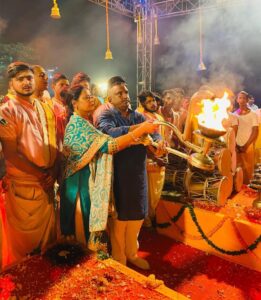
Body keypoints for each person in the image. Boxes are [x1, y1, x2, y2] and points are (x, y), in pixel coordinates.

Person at [60, 84, 158, 250]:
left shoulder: (85, 122)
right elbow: (110, 146)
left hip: (88, 180)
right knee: (84, 238)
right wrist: (139, 130)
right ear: (74, 104)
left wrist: (142, 130)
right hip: (81, 185)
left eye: (91, 96)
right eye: (86, 97)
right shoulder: (78, 126)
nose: (91, 100)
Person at [97, 76, 164, 270]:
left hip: (138, 173)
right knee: (120, 218)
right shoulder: (106, 115)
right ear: (109, 98)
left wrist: (159, 143)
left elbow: (155, 133)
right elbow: (109, 134)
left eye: (126, 92)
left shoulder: (138, 115)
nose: (125, 96)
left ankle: (131, 252)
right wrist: (139, 130)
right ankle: (119, 258)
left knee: (137, 216)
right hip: (118, 173)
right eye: (119, 93)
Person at [0, 62, 57, 266]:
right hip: (25, 187)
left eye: (29, 78)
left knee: (46, 247)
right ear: (11, 83)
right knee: (24, 250)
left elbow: (54, 143)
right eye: (20, 79)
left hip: (47, 183)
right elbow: (11, 154)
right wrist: (42, 175)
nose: (26, 82)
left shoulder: (44, 108)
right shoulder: (6, 111)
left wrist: (53, 171)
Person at [138, 91, 166, 227]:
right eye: (149, 101)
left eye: (154, 100)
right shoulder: (141, 117)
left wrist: (163, 154)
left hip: (160, 156)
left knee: (156, 191)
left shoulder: (159, 117)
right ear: (143, 103)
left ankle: (153, 214)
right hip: (148, 158)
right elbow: (144, 140)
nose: (153, 103)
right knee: (148, 190)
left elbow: (162, 137)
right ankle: (146, 218)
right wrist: (154, 157)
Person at [234, 91, 259, 184]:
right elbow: (233, 131)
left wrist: (247, 145)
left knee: (248, 171)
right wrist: (235, 145)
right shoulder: (234, 114)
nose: (242, 100)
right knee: (237, 170)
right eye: (240, 98)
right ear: (237, 100)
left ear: (247, 100)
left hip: (248, 146)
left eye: (244, 98)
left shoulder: (253, 114)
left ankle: (249, 191)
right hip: (236, 146)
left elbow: (255, 131)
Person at [50, 73, 70, 150]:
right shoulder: (50, 105)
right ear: (53, 86)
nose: (65, 87)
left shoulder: (72, 104)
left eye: (67, 85)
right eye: (61, 85)